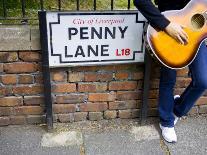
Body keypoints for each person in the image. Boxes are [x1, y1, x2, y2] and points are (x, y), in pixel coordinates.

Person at [134, 0, 207, 143]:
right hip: (169, 28)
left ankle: (177, 111)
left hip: (197, 32)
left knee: (203, 80)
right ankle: (166, 121)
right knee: (168, 78)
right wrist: (166, 25)